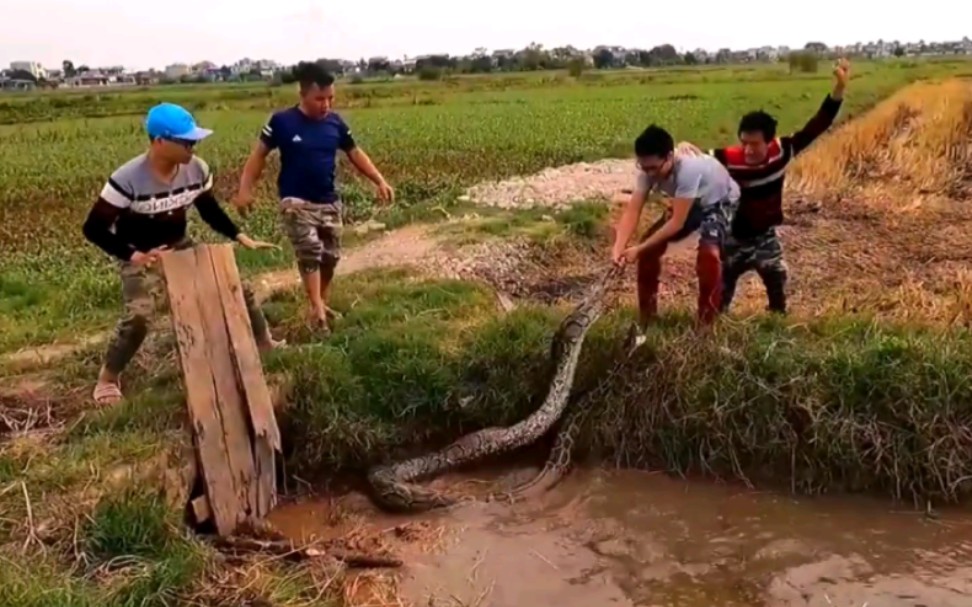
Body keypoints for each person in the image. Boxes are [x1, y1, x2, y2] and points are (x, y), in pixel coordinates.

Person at [82, 102, 281, 406]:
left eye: (194, 139)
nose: (193, 145)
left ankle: (265, 344)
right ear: (159, 141)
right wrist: (133, 255)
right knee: (139, 316)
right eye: (185, 141)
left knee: (240, 289)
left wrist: (240, 236)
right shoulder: (128, 179)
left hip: (181, 245)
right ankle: (108, 379)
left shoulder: (196, 169)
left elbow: (209, 209)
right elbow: (93, 229)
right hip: (143, 255)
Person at [675, 58, 850, 315]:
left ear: (769, 142)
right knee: (719, 296)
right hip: (732, 237)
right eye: (743, 142)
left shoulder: (783, 151)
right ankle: (714, 324)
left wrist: (839, 89)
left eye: (754, 144)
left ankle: (776, 319)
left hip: (764, 236)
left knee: (776, 274)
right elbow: (696, 161)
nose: (747, 149)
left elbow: (818, 124)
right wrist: (681, 150)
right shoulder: (728, 159)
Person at [233, 61, 395, 334]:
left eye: (330, 98)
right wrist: (245, 190)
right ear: (304, 94)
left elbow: (355, 153)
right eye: (320, 99)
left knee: (330, 257)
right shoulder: (281, 122)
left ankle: (319, 303)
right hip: (295, 201)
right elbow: (258, 156)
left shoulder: (335, 123)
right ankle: (318, 310)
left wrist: (379, 180)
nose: (326, 104)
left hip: (328, 200)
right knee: (310, 250)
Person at [611, 124, 740, 329]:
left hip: (719, 200)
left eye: (654, 168)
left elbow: (677, 222)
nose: (650, 173)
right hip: (690, 201)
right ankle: (647, 319)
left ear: (670, 157)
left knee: (709, 255)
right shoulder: (647, 172)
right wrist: (619, 246)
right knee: (649, 250)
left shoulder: (688, 170)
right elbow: (633, 210)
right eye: (644, 168)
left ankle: (705, 325)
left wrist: (638, 249)